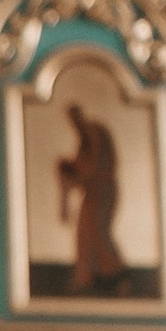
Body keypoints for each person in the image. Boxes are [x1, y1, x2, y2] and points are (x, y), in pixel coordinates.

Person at [57, 101, 127, 293]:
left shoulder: (95, 132)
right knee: (84, 234)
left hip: (103, 192)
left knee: (97, 232)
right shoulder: (84, 140)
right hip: (92, 193)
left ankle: (117, 275)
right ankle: (86, 279)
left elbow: (95, 166)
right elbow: (81, 167)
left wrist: (76, 175)